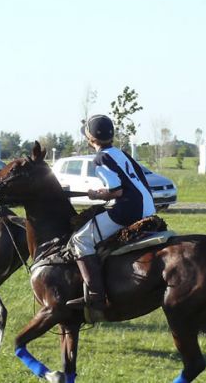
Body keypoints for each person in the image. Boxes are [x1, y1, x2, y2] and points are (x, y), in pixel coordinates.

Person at [67, 114, 155, 321]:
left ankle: (96, 295)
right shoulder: (120, 153)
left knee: (80, 239)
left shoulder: (100, 158)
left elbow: (116, 190)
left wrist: (97, 194)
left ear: (91, 139)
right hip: (148, 207)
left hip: (129, 210)